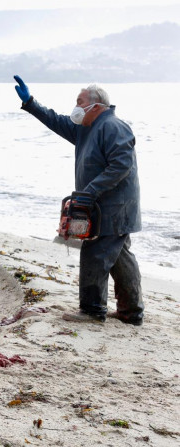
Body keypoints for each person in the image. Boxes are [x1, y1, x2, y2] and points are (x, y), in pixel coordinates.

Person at [13, 75, 143, 326]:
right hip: (106, 207)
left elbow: (121, 166)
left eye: (79, 101)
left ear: (96, 105)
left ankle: (93, 311)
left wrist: (90, 191)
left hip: (114, 208)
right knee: (120, 258)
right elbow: (55, 120)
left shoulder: (113, 127)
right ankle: (131, 312)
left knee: (95, 253)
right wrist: (30, 102)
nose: (75, 106)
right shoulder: (86, 128)